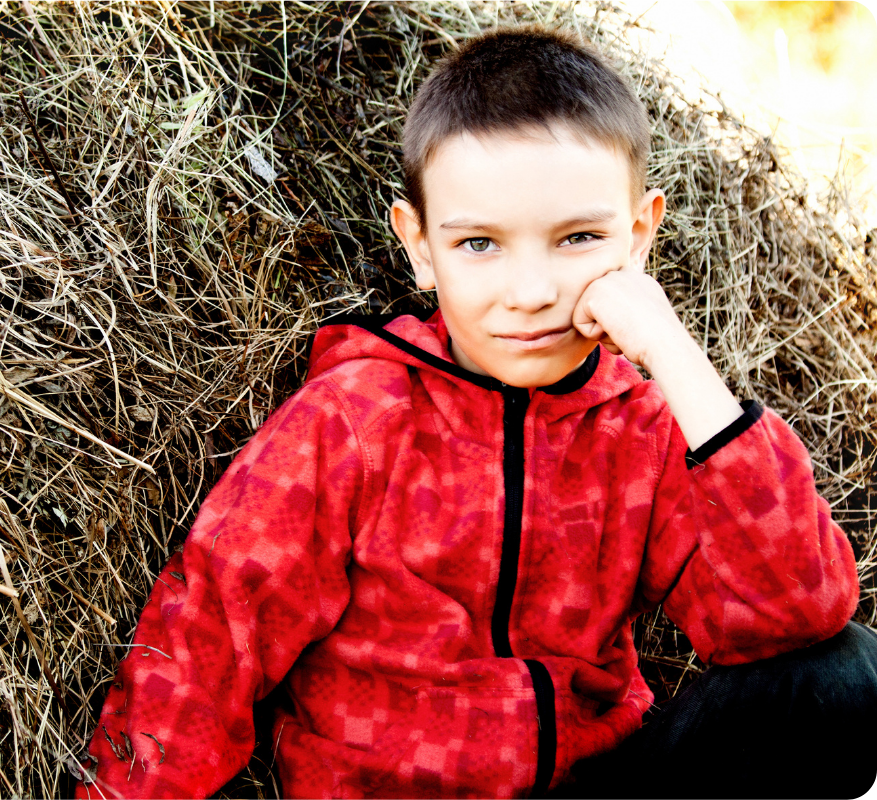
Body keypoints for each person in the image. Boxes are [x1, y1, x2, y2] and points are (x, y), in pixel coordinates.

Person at [79, 25, 876, 799]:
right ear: (420, 246)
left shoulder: (637, 427)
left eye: (578, 238)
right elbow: (213, 636)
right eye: (479, 245)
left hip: (595, 785)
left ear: (638, 236)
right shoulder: (354, 420)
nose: (529, 293)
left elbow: (792, 614)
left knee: (845, 674)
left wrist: (674, 355)